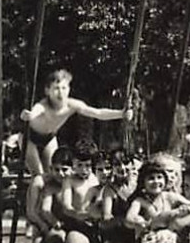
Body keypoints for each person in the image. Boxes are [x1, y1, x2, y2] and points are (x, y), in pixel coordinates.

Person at [19, 69, 131, 225]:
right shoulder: (43, 105)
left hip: (49, 137)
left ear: (69, 89)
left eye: (64, 88)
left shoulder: (73, 105)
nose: (60, 93)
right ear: (47, 91)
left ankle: (54, 208)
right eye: (56, 88)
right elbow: (35, 112)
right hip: (30, 138)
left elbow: (97, 113)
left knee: (57, 173)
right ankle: (33, 216)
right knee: (38, 176)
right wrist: (29, 115)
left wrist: (120, 114)